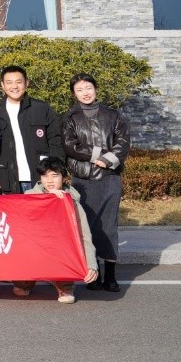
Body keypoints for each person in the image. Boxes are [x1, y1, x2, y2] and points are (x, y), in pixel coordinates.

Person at [62, 73, 129, 293]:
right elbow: (70, 145)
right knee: (87, 226)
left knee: (109, 226)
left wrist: (108, 160)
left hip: (109, 177)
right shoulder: (70, 118)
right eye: (80, 89)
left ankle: (110, 274)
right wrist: (97, 155)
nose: (85, 93)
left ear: (96, 89)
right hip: (83, 179)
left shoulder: (113, 115)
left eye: (88, 88)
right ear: (74, 93)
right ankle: (93, 271)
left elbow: (123, 141)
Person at [15, 157, 100, 303]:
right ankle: (25, 282)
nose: (49, 181)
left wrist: (91, 265)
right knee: (20, 290)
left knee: (67, 248)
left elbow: (84, 236)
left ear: (64, 178)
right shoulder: (29, 196)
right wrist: (47, 199)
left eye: (55, 176)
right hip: (34, 248)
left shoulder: (73, 203)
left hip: (60, 250)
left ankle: (64, 284)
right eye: (45, 176)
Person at [0, 65, 64, 195]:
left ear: (26, 83)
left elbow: (56, 142)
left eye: (19, 82)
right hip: (7, 179)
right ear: (2, 85)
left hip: (40, 179)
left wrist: (57, 174)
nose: (14, 86)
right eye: (9, 82)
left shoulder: (42, 108)